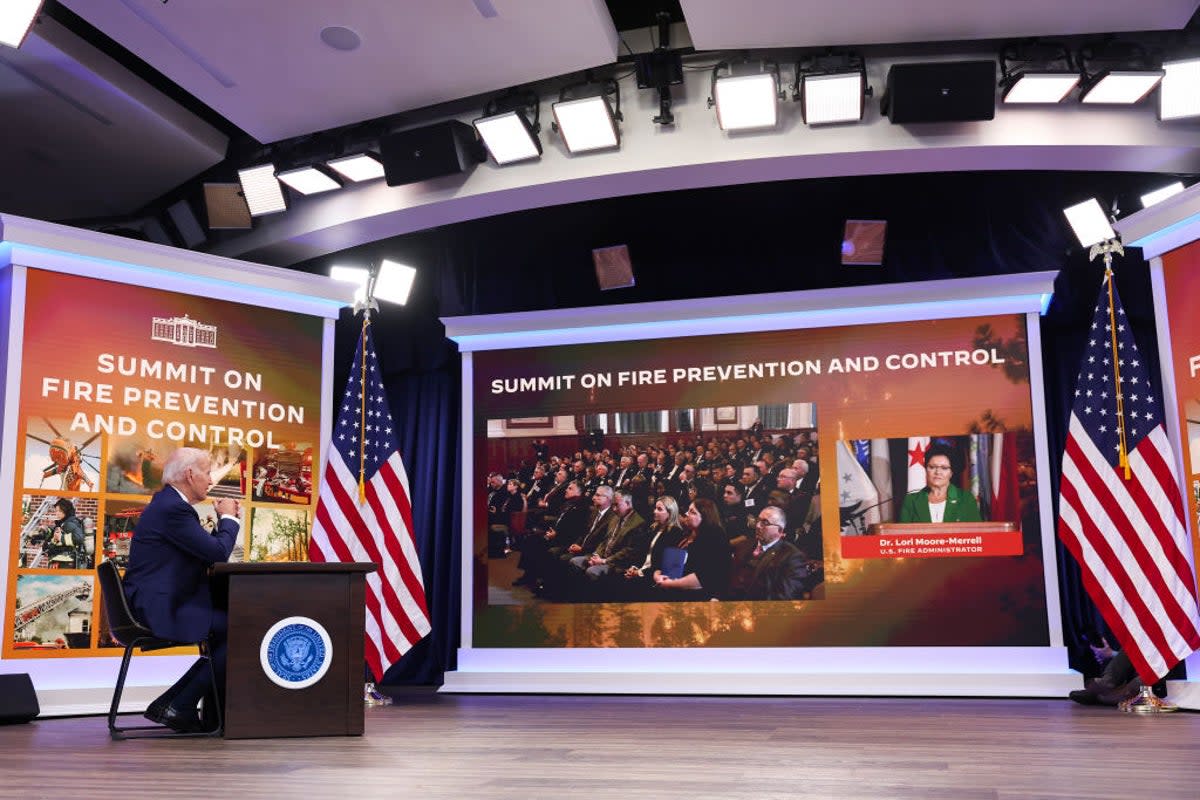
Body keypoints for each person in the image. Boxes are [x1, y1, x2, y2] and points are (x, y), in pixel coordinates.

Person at [123, 447, 240, 733]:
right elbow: (216, 554)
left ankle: (173, 704)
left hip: (161, 601)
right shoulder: (174, 509)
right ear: (190, 474)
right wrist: (229, 519)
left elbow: (201, 550)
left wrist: (219, 530)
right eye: (207, 472)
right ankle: (178, 705)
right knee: (242, 633)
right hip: (160, 607)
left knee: (230, 629)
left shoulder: (166, 505)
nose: (211, 480)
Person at [652, 498, 731, 600]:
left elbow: (702, 578)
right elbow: (668, 561)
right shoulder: (690, 533)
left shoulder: (715, 537)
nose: (687, 514)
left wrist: (670, 583)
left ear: (706, 517)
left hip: (701, 594)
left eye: (693, 512)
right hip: (678, 584)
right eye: (688, 511)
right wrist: (657, 575)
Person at [898, 443, 982, 524]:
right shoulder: (911, 501)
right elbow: (903, 536)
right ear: (926, 469)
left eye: (944, 468)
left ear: (951, 472)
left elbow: (976, 533)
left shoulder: (966, 499)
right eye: (932, 467)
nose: (938, 472)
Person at [47, 498, 87, 568]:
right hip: (61, 560)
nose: (57, 513)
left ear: (66, 510)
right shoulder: (63, 523)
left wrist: (61, 538)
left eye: (59, 511)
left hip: (66, 562)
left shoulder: (70, 523)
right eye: (56, 511)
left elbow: (79, 538)